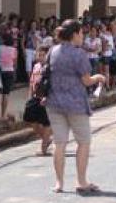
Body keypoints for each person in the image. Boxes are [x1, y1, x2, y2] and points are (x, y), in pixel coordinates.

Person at [45, 20, 106, 194]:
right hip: (76, 103)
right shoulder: (79, 54)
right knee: (83, 142)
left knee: (59, 143)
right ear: (74, 35)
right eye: (81, 34)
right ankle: (81, 181)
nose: (82, 37)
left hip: (54, 102)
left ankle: (59, 183)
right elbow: (86, 80)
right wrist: (98, 78)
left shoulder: (53, 51)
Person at [24, 44, 52, 156]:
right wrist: (30, 96)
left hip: (46, 97)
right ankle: (46, 139)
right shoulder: (36, 66)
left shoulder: (50, 68)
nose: (40, 57)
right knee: (30, 118)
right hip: (36, 96)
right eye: (39, 55)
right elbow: (32, 82)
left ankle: (44, 148)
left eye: (43, 55)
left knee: (46, 122)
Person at [0, 32, 17, 122]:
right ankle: (3, 115)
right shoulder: (14, 50)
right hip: (9, 71)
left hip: (0, 71)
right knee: (6, 94)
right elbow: (14, 63)